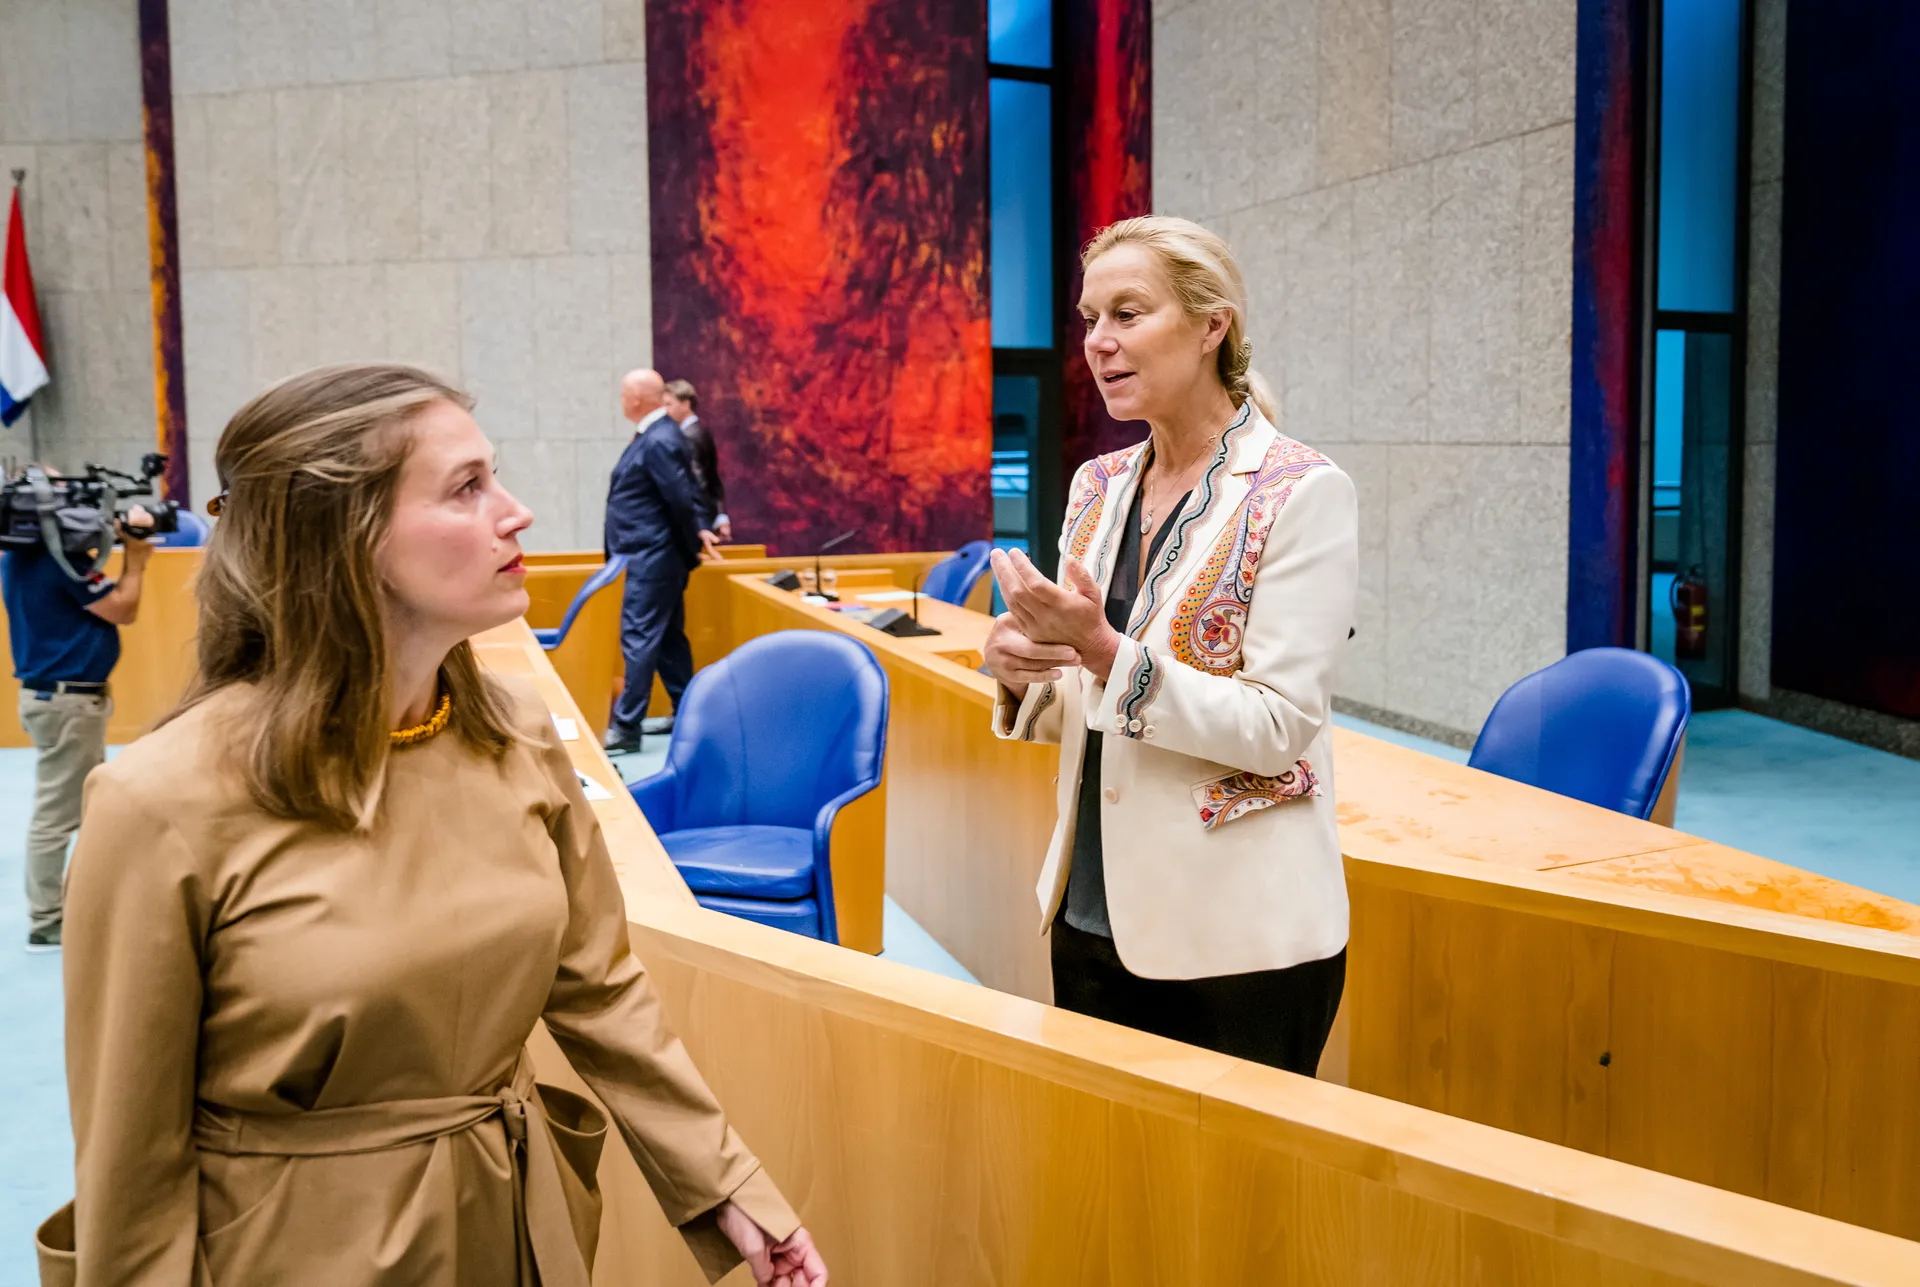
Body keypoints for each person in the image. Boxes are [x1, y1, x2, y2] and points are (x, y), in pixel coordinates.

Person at [39, 364, 828, 1287]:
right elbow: (133, 1165)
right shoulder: (159, 803)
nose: (516, 511)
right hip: (299, 1253)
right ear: (343, 536)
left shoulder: (516, 734)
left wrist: (725, 1184)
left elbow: (600, 993)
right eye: (467, 487)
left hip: (516, 1231)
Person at [983, 216, 1359, 1077]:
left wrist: (1108, 653)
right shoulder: (1098, 484)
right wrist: (1021, 672)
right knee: (1115, 1194)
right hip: (1091, 914)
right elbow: (1088, 697)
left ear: (1210, 325)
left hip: (1240, 940)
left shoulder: (1302, 492)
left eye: (1128, 313)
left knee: (1237, 1203)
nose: (1098, 343)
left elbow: (1279, 727)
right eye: (1088, 319)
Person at [1, 495, 153, 952]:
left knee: (73, 806)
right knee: (58, 812)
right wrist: (138, 559)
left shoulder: (20, 554)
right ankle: (47, 922)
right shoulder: (60, 560)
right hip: (67, 703)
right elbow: (123, 608)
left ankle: (74, 903)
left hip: (54, 698)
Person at [604, 368, 718, 751]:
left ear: (636, 398)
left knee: (638, 638)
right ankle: (687, 713)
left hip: (653, 558)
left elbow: (681, 499)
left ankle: (627, 727)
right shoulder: (656, 436)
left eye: (623, 393)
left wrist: (688, 551)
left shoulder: (659, 439)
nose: (620, 399)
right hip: (653, 556)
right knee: (668, 639)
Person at [663, 379, 731, 542]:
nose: (664, 411)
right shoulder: (700, 430)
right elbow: (712, 478)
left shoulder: (688, 436)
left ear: (685, 404)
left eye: (668, 404)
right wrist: (720, 514)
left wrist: (698, 521)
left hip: (697, 521)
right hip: (707, 515)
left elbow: (696, 481)